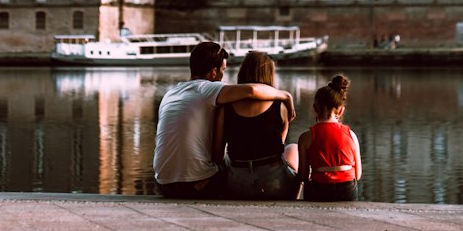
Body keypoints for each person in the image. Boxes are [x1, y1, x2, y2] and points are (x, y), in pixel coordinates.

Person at [153, 40, 295, 198]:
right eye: (223, 70)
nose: (223, 76)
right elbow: (251, 90)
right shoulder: (209, 89)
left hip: (163, 184)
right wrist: (285, 95)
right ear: (214, 72)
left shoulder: (170, 94)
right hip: (197, 185)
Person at [221, 50, 299, 199]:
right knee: (293, 148)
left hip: (236, 184)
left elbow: (218, 151)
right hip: (273, 184)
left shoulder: (226, 105)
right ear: (269, 74)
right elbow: (279, 147)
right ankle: (292, 200)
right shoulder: (280, 106)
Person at [297, 74, 362, 202]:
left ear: (315, 108)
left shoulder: (305, 137)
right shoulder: (351, 135)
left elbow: (303, 176)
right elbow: (358, 175)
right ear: (341, 111)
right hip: (347, 190)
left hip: (319, 190)